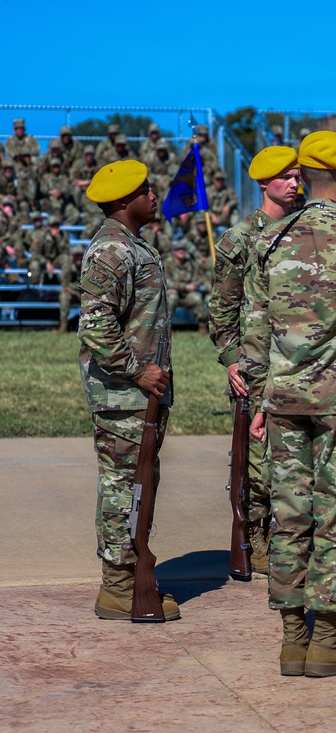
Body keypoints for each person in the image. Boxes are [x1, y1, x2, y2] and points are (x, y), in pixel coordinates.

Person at [241, 132, 336, 677]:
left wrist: (259, 398)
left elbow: (254, 328)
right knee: (334, 518)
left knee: (290, 517)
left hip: (283, 401)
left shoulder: (272, 238)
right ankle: (326, 640)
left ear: (304, 174)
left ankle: (292, 640)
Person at [78, 160, 179, 621]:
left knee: (140, 484)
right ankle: (118, 587)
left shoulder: (133, 246)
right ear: (123, 201)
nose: (153, 193)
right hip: (124, 396)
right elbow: (96, 328)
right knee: (123, 487)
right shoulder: (112, 252)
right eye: (145, 189)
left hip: (140, 398)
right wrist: (138, 372)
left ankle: (130, 571)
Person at [210, 145, 299, 573]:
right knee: (258, 458)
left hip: (297, 363)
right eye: (286, 177)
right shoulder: (240, 238)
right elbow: (221, 307)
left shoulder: (305, 231)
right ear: (264, 183)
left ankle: (287, 533)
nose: (295, 183)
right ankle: (255, 538)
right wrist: (231, 358)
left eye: (299, 176)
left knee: (294, 456)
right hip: (256, 365)